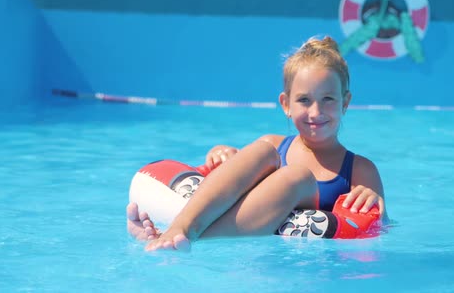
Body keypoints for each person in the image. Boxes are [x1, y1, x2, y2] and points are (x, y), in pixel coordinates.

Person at [126, 36, 388, 251]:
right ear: (286, 104)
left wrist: (376, 205)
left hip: (295, 263)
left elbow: (376, 228)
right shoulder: (272, 147)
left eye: (328, 99)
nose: (316, 112)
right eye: (304, 100)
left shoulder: (359, 170)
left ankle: (179, 238)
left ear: (346, 102)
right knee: (264, 150)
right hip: (251, 246)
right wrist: (219, 156)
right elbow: (231, 183)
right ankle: (179, 229)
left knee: (297, 176)